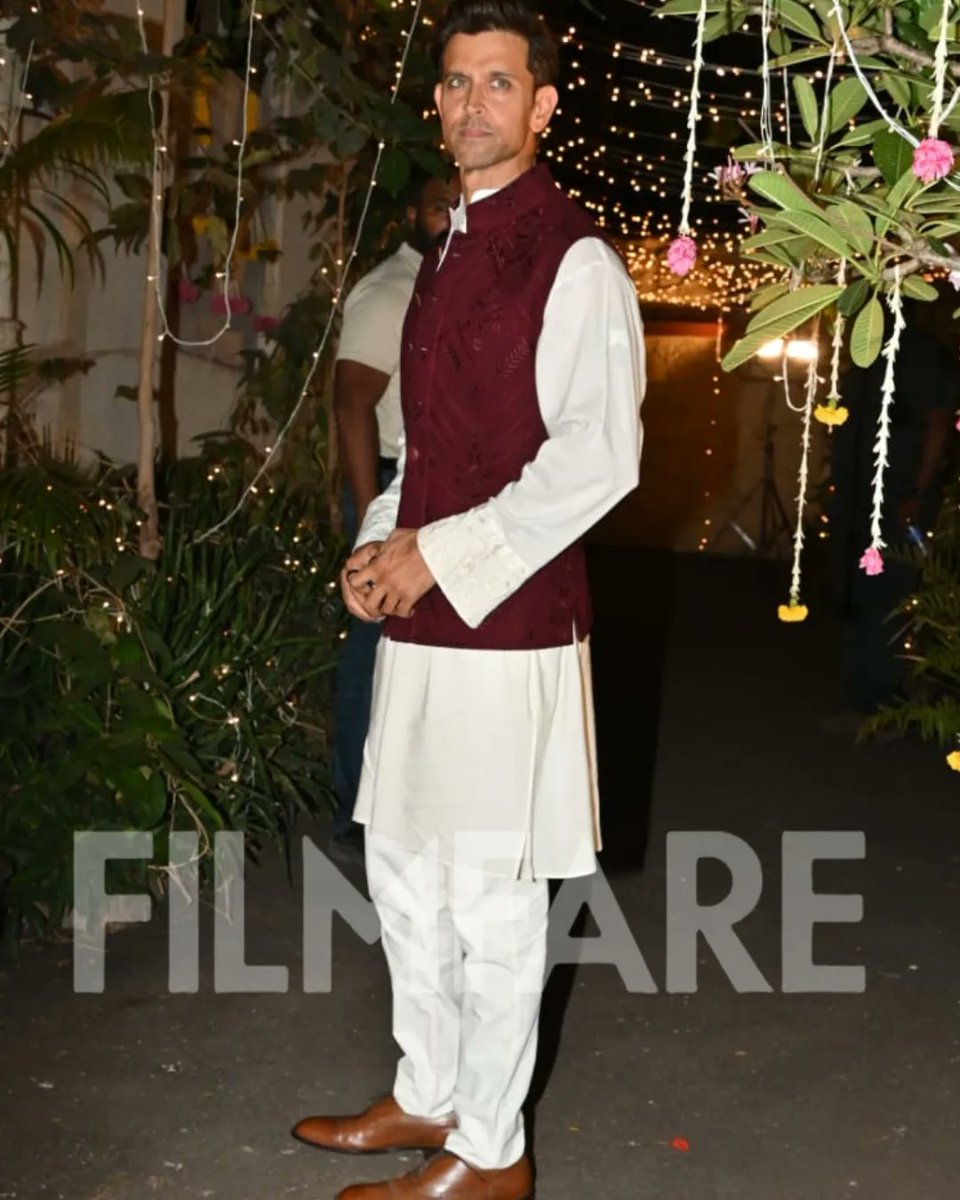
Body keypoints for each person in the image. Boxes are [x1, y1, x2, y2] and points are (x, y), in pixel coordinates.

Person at [294, 4, 645, 1198]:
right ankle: (428, 1089)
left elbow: (598, 460)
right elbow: (428, 447)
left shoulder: (575, 257)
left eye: (499, 83)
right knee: (401, 864)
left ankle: (493, 1152)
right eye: (454, 83)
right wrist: (379, 537)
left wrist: (435, 555)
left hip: (510, 621)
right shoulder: (447, 250)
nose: (470, 104)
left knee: (492, 899)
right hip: (427, 615)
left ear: (543, 107)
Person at [329, 173, 459, 865]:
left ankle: (403, 804)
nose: (453, 217)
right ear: (413, 213)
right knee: (371, 648)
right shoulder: (393, 290)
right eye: (441, 205)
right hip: (385, 483)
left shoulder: (452, 282)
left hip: (425, 489)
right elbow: (351, 404)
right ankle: (355, 810)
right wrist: (367, 518)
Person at [828, 303, 958, 720]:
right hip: (857, 494)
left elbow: (938, 425)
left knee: (888, 592)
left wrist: (917, 492)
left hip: (898, 494)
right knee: (857, 589)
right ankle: (860, 686)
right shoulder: (867, 354)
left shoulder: (924, 356)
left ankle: (881, 693)